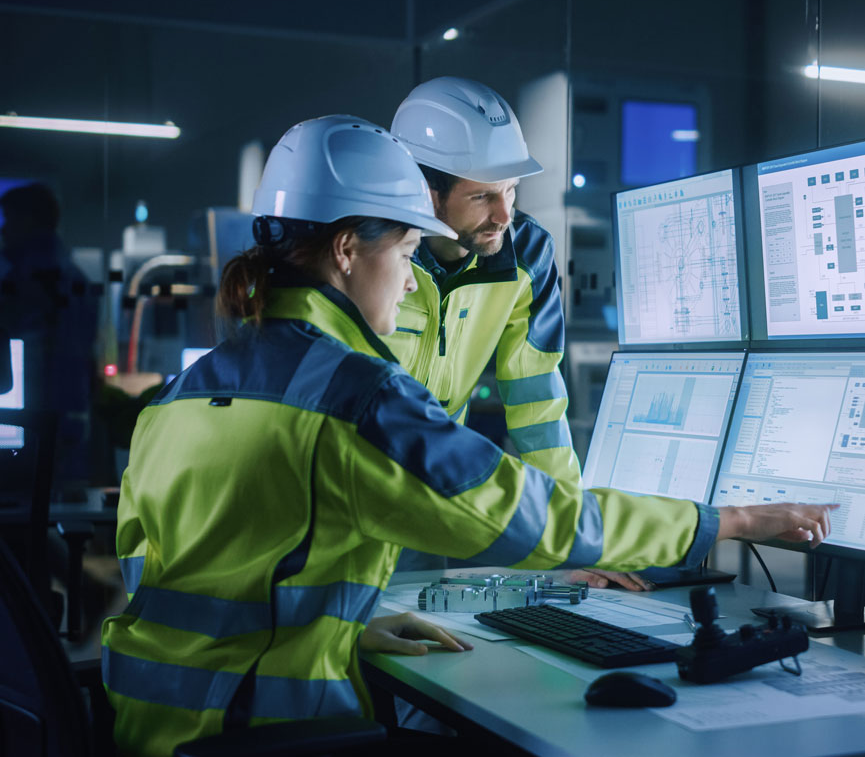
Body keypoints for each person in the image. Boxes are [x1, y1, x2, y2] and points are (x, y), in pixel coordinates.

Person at [101, 115, 835, 757]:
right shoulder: (352, 397)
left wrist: (344, 630)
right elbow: (526, 514)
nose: (409, 278)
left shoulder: (186, 393)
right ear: (351, 249)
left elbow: (176, 576)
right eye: (405, 250)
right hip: (264, 727)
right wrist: (724, 521)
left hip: (151, 726)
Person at [389, 77, 647, 588]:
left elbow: (537, 405)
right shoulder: (374, 251)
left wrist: (573, 540)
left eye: (511, 190)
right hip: (340, 490)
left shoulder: (527, 254)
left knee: (406, 640)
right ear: (423, 190)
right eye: (483, 195)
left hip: (423, 503)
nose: (504, 215)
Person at [0, 182, 98, 489]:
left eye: (10, 220)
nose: (4, 231)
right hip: (59, 427)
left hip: (38, 428)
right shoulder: (71, 279)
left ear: (32, 221)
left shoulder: (35, 285)